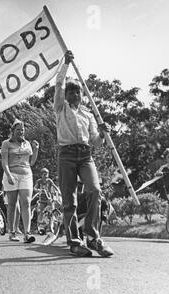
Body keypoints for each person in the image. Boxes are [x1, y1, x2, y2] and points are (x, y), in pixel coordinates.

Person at [53, 50, 113, 257]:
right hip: (66, 155)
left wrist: (104, 134)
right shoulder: (60, 108)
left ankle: (93, 238)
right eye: (71, 92)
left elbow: (96, 141)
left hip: (86, 156)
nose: (74, 95)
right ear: (66, 95)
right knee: (70, 200)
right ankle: (75, 242)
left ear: (81, 95)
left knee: (95, 190)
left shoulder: (88, 114)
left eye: (77, 92)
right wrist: (66, 64)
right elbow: (58, 84)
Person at [1, 119, 39, 243]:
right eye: (18, 130)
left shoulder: (27, 143)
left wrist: (36, 150)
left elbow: (32, 162)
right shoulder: (6, 143)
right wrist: (8, 175)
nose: (21, 132)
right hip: (12, 174)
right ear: (13, 131)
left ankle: (27, 233)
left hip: (26, 174)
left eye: (22, 130)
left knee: (26, 202)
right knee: (12, 204)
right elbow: (4, 161)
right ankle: (12, 232)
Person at [33, 168, 60, 235]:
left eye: (47, 174)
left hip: (49, 199)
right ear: (41, 174)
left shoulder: (49, 181)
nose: (46, 175)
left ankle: (51, 226)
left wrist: (58, 191)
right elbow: (35, 188)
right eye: (44, 174)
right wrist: (38, 190)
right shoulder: (39, 181)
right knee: (41, 212)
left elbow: (54, 186)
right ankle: (40, 227)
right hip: (42, 199)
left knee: (51, 211)